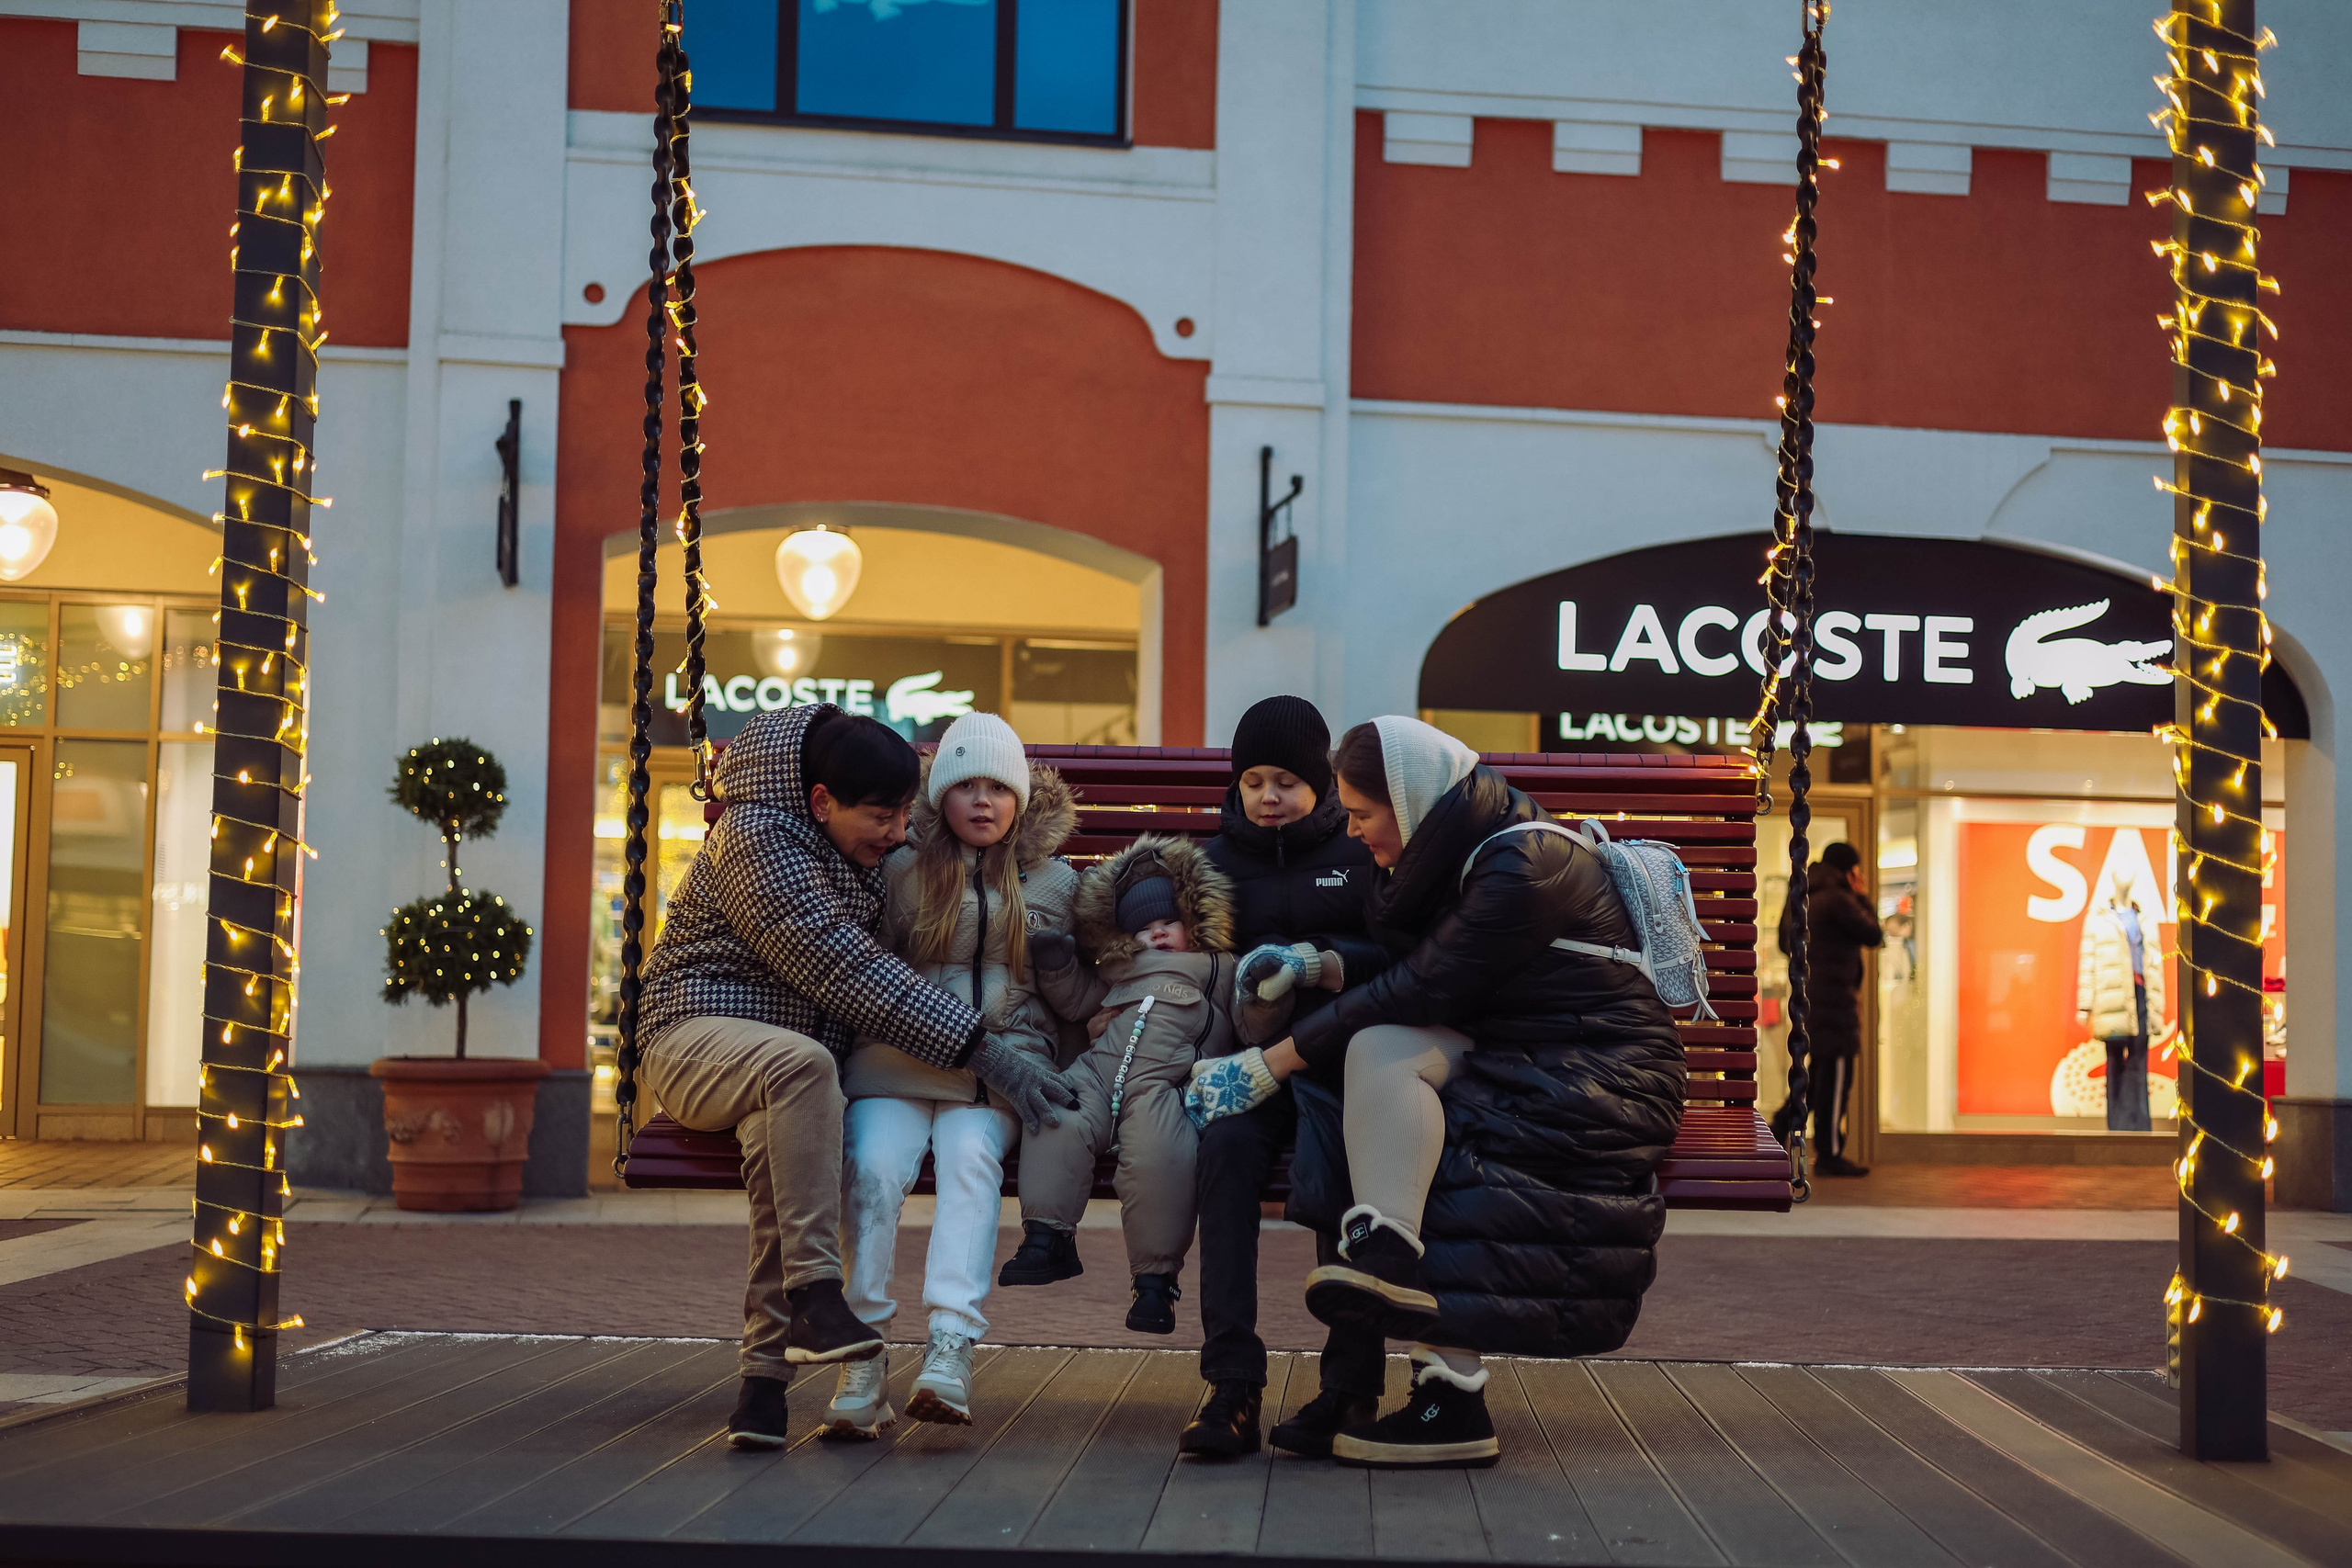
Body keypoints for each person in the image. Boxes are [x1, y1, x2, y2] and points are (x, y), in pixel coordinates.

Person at [1187, 716, 1687, 1470]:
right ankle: (1388, 1256)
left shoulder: (1523, 863)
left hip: (1599, 1071)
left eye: (1360, 813)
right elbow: (1408, 973)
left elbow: (1420, 984)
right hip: (1518, 1049)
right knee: (1379, 1057)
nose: (1351, 831)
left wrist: (1271, 1063)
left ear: (1410, 799)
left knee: (1436, 1135)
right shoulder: (1456, 852)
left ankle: (1448, 1393)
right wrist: (1320, 965)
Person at [634, 703, 1080, 1450]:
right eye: (884, 814)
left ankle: (763, 1385)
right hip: (699, 1038)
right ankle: (816, 1295)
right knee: (808, 1075)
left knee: (789, 1142)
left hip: (790, 1069)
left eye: (907, 812)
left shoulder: (869, 853)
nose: (900, 832)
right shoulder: (757, 838)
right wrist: (988, 1051)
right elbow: (847, 969)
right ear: (820, 802)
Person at [827, 713, 1080, 1438]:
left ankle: (950, 1345)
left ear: (1021, 799)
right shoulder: (899, 867)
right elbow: (861, 970)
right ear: (938, 797)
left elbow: (1078, 996)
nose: (981, 801)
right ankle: (863, 1347)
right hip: (895, 1061)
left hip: (1000, 1069)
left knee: (971, 1160)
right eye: (964, 785)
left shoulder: (1057, 882)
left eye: (997, 787)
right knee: (872, 1164)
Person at [1181, 695, 1387, 1461]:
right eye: (1255, 781)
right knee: (1225, 1154)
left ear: (1322, 785)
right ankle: (1231, 1382)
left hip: (1337, 1063)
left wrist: (1321, 959)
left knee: (1339, 1168)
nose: (1270, 796)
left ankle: (1350, 1384)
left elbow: (1392, 956)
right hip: (1247, 1070)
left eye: (1288, 782)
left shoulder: (1357, 853)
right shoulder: (1211, 864)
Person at [1017, 835, 1239, 1338]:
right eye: (1143, 928)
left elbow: (1252, 1019)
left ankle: (1156, 1282)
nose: (1157, 935)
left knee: (1163, 1153)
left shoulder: (1218, 969)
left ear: (1194, 922)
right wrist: (1056, 966)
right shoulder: (1116, 969)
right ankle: (1046, 1237)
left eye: (1168, 924)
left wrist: (1268, 993)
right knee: (1059, 1114)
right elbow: (1077, 1003)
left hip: (1165, 1084)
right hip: (1097, 1074)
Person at [1774, 841, 1883, 1177]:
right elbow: (1873, 933)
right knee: (1834, 1078)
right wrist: (1860, 894)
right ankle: (1830, 1152)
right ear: (1849, 871)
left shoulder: (1802, 892)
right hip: (1836, 1003)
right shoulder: (1839, 897)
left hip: (1807, 999)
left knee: (1815, 1078)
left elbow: (1783, 942)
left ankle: (1780, 1129)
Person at [2077, 867, 2162, 1133]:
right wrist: (2085, 1004)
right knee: (2114, 1061)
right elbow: (2088, 962)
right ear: (2113, 881)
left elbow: (2155, 966)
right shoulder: (2099, 918)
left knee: (2139, 1060)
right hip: (2111, 998)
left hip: (2139, 996)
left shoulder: (2145, 917)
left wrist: (2158, 1004)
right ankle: (2117, 1127)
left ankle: (2139, 1126)